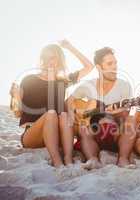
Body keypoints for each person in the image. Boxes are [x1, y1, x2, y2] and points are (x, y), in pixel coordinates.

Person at [10, 40, 94, 168]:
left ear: (59, 60)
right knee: (51, 114)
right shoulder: (29, 80)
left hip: (57, 135)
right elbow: (17, 112)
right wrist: (15, 97)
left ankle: (68, 158)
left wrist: (70, 47)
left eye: (53, 57)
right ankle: (57, 161)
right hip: (33, 136)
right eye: (45, 57)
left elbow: (89, 66)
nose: (48, 61)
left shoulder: (63, 81)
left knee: (64, 115)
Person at [68, 47, 136, 168]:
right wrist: (76, 113)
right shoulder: (89, 85)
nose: (114, 67)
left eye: (115, 63)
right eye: (110, 63)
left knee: (130, 118)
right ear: (99, 67)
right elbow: (68, 102)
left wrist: (115, 113)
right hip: (93, 134)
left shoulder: (124, 85)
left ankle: (123, 159)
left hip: (115, 134)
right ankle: (92, 159)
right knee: (83, 127)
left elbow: (126, 112)